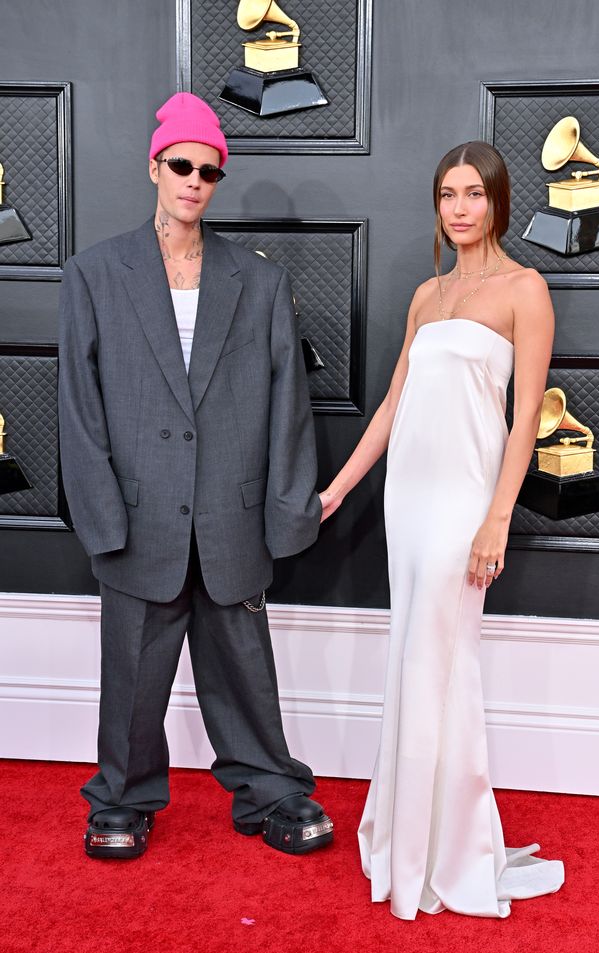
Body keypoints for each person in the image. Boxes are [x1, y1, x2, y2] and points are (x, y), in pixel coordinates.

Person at [58, 92, 332, 859]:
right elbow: (79, 408)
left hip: (230, 512)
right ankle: (121, 796)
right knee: (133, 678)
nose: (193, 182)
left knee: (246, 669)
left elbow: (288, 405)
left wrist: (286, 511)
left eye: (208, 172)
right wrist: (101, 515)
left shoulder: (259, 282)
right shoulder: (94, 273)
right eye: (181, 165)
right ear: (155, 166)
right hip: (137, 513)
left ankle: (272, 791)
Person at [319, 142, 564, 918]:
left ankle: (449, 850)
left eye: (474, 193)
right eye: (448, 194)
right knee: (413, 663)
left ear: (498, 201)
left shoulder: (526, 288)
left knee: (443, 665)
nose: (460, 207)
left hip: (466, 502)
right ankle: (412, 837)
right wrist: (338, 489)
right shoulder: (426, 296)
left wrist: (498, 515)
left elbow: (527, 416)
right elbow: (392, 405)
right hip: (409, 499)